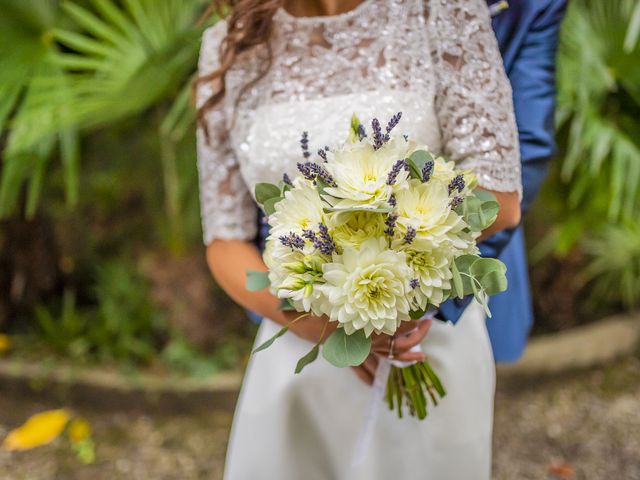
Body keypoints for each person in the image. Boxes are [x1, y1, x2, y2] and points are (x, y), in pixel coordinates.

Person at [195, 0, 521, 478]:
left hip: (420, 338)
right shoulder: (230, 45)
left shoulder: (442, 11)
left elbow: (500, 195)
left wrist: (397, 274)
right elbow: (224, 240)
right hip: (297, 360)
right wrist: (311, 319)